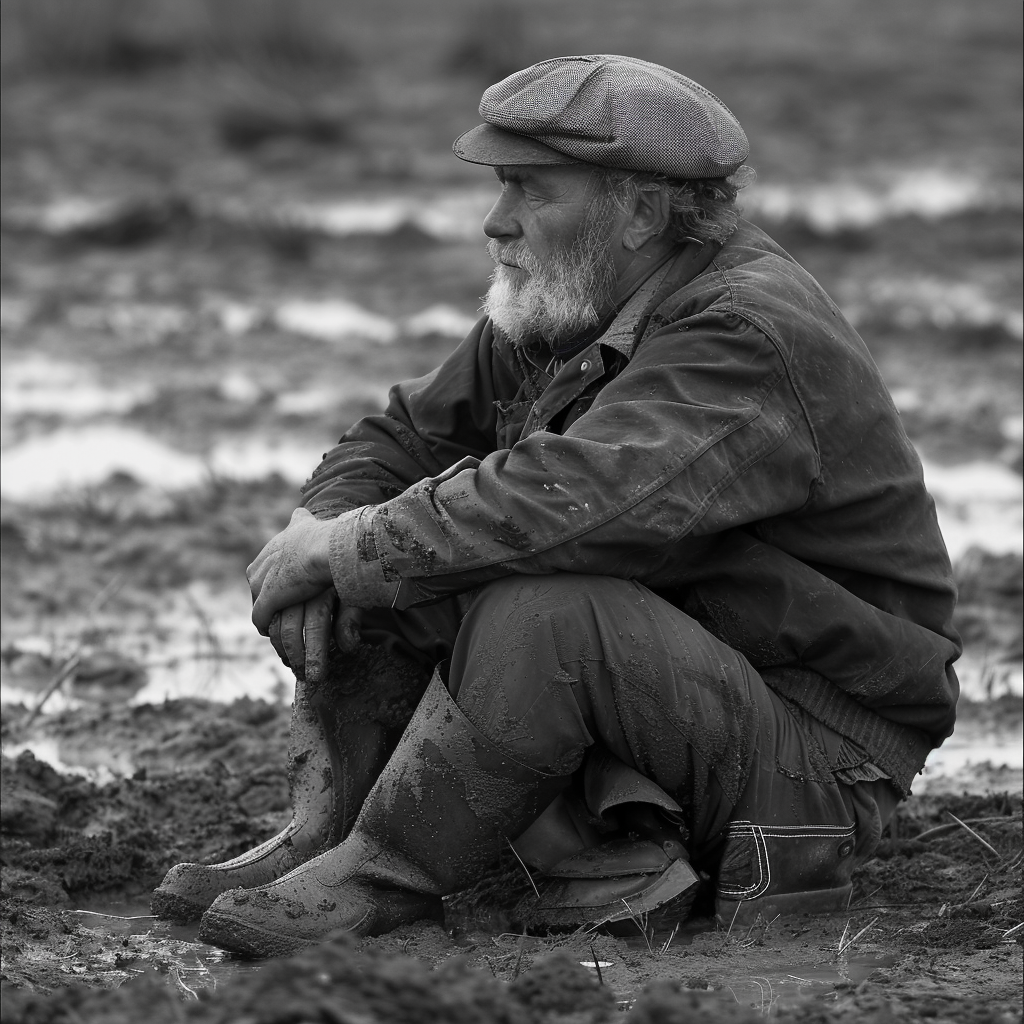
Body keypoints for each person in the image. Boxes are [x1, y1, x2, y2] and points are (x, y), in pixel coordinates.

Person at [152, 55, 960, 958]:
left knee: (533, 607)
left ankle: (386, 875)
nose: (496, 223)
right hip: (690, 687)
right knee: (386, 554)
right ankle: (333, 831)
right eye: (502, 187)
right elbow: (400, 440)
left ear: (642, 212)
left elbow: (571, 502)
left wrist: (347, 549)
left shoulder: (744, 333)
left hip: (811, 752)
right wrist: (323, 533)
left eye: (533, 191)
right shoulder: (569, 300)